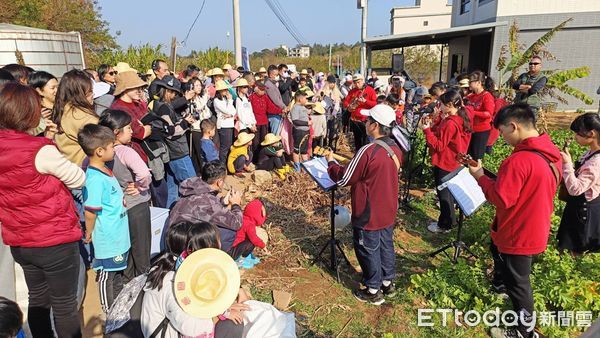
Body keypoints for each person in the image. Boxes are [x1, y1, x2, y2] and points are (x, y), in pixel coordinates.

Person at [467, 104, 561, 338]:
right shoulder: (551, 151)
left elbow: (501, 198)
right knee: (517, 280)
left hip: (518, 232)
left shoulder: (518, 161)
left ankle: (524, 332)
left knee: (520, 286)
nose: (501, 138)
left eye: (502, 132)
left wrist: (479, 176)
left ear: (513, 126)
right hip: (536, 223)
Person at [0, 83, 85, 338]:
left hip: (20, 241)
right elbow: (78, 178)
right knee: (64, 306)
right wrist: (48, 146)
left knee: (37, 299)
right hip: (54, 240)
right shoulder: (41, 151)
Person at [327, 104, 402, 305]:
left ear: (374, 126)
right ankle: (387, 283)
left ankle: (372, 289)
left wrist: (331, 165)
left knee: (367, 248)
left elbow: (344, 179)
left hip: (369, 210)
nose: (365, 123)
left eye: (368, 121)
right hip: (388, 208)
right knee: (385, 244)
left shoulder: (368, 151)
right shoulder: (395, 148)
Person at [142, 221, 248, 338]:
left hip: (177, 326)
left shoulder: (168, 264)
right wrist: (220, 314)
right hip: (172, 332)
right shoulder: (173, 282)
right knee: (232, 326)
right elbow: (191, 328)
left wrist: (223, 307)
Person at [78, 124, 131, 314]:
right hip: (108, 238)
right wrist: (89, 231)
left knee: (117, 273)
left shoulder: (105, 171)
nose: (114, 150)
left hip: (118, 235)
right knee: (106, 275)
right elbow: (91, 211)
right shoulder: (94, 179)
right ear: (99, 151)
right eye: (111, 147)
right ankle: (109, 313)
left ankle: (118, 306)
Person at [99, 110, 152, 281]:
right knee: (141, 250)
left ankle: (126, 287)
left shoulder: (98, 153)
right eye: (128, 128)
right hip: (136, 206)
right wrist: (140, 186)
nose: (131, 131)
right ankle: (142, 288)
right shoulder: (125, 152)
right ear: (116, 132)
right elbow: (143, 174)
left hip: (116, 210)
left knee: (126, 251)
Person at [421, 90, 472, 233]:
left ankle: (445, 225)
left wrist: (426, 130)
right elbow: (440, 133)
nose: (439, 106)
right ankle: (450, 221)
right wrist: (438, 120)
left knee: (443, 194)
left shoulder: (451, 123)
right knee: (447, 194)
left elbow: (438, 145)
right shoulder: (459, 118)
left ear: (449, 105)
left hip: (445, 162)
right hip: (453, 162)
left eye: (441, 104)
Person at [168, 161, 243, 255]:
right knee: (229, 231)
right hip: (186, 245)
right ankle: (220, 257)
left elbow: (201, 207)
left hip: (174, 238)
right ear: (219, 182)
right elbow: (237, 222)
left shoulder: (192, 188)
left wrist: (222, 201)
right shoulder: (209, 202)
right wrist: (236, 204)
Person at [558, 113, 600, 254]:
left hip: (584, 210)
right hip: (578, 206)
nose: (575, 137)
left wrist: (567, 164)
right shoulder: (590, 153)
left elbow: (575, 189)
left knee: (576, 247)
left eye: (578, 133)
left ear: (592, 133)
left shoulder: (596, 162)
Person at [53, 69, 99, 166]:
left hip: (69, 168)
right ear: (79, 94)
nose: (93, 95)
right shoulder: (86, 118)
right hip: (86, 169)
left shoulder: (61, 110)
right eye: (89, 92)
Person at [343, 74, 377, 151]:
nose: (356, 84)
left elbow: (375, 104)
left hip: (366, 120)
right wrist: (349, 106)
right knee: (357, 140)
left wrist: (365, 101)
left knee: (365, 140)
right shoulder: (352, 91)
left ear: (363, 81)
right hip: (355, 120)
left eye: (358, 82)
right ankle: (358, 155)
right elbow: (345, 102)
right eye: (355, 83)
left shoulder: (370, 90)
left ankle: (365, 156)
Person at [466, 71, 495, 160]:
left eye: (470, 81)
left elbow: (488, 114)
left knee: (476, 158)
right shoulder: (470, 96)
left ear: (479, 82)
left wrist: (472, 112)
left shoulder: (487, 96)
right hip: (470, 129)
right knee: (467, 156)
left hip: (481, 131)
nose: (469, 84)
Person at [249, 80, 282, 155]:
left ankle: (263, 157)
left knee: (264, 141)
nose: (263, 91)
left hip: (264, 122)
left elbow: (271, 108)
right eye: (261, 89)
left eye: (264, 89)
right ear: (256, 89)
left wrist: (280, 110)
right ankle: (255, 159)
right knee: (255, 142)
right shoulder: (251, 98)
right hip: (255, 122)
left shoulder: (265, 97)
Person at [28, 71, 59, 136]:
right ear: (39, 91)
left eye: (58, 87)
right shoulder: (35, 111)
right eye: (52, 88)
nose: (57, 90)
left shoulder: (63, 105)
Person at [214, 80, 237, 164]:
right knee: (224, 147)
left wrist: (230, 114)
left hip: (230, 124)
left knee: (229, 146)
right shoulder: (216, 100)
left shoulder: (225, 99)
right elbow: (227, 110)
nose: (226, 91)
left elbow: (234, 111)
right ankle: (222, 165)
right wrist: (230, 100)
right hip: (223, 126)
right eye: (224, 90)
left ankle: (227, 164)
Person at [290, 91, 312, 170]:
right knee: (297, 149)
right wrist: (307, 123)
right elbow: (295, 121)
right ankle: (297, 168)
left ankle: (307, 168)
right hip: (299, 132)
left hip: (306, 132)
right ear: (300, 99)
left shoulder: (303, 107)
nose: (306, 100)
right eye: (305, 98)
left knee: (304, 150)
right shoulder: (295, 108)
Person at [264, 65, 288, 133]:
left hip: (276, 112)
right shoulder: (269, 85)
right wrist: (284, 107)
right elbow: (276, 100)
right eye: (276, 75)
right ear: (271, 75)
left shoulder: (272, 83)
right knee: (275, 136)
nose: (277, 76)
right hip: (273, 114)